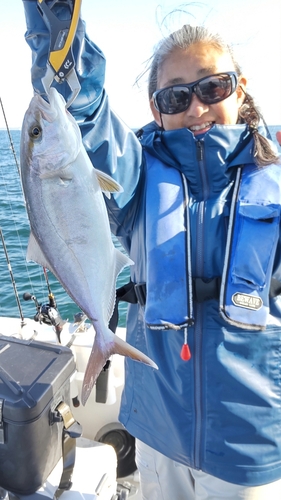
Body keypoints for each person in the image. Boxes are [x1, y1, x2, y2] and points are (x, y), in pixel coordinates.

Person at [22, 2, 281, 499]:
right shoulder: (137, 178)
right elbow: (87, 111)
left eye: (213, 87)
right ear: (154, 107)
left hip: (251, 444)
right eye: (176, 95)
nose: (197, 107)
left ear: (240, 88)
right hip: (157, 430)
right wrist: (58, 41)